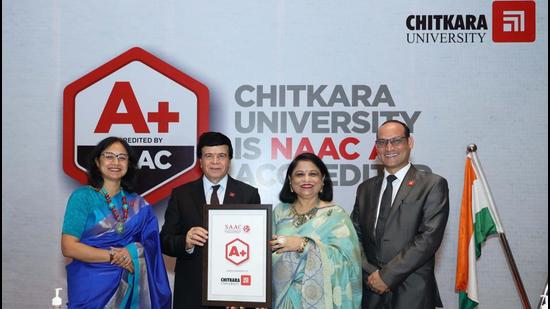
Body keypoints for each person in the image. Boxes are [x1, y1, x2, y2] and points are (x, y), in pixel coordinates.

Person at [61, 136, 172, 308]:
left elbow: (152, 246)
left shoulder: (139, 205)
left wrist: (133, 253)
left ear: (129, 164)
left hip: (127, 286)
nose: (116, 162)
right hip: (89, 287)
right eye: (109, 156)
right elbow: (69, 247)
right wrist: (114, 256)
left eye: (122, 157)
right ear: (97, 162)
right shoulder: (82, 197)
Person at [351, 120, 449, 309]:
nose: (389, 148)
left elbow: (428, 238)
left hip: (413, 293)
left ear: (409, 143)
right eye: (382, 142)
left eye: (396, 141)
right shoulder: (365, 189)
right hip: (371, 291)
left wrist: (387, 276)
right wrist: (373, 274)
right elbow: (353, 237)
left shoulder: (432, 184)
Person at [160, 132, 261, 309]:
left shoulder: (248, 194)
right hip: (191, 290)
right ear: (200, 161)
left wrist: (248, 295)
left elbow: (256, 247)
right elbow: (165, 240)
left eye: (221, 156)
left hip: (235, 292)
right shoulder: (181, 194)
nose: (215, 162)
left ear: (230, 160)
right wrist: (186, 241)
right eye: (209, 156)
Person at [271, 152, 363, 308]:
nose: (306, 179)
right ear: (290, 181)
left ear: (322, 181)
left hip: (322, 301)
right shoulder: (280, 212)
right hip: (280, 298)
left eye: (313, 174)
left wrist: (304, 245)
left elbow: (349, 263)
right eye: (299, 174)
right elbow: (264, 255)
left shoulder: (336, 215)